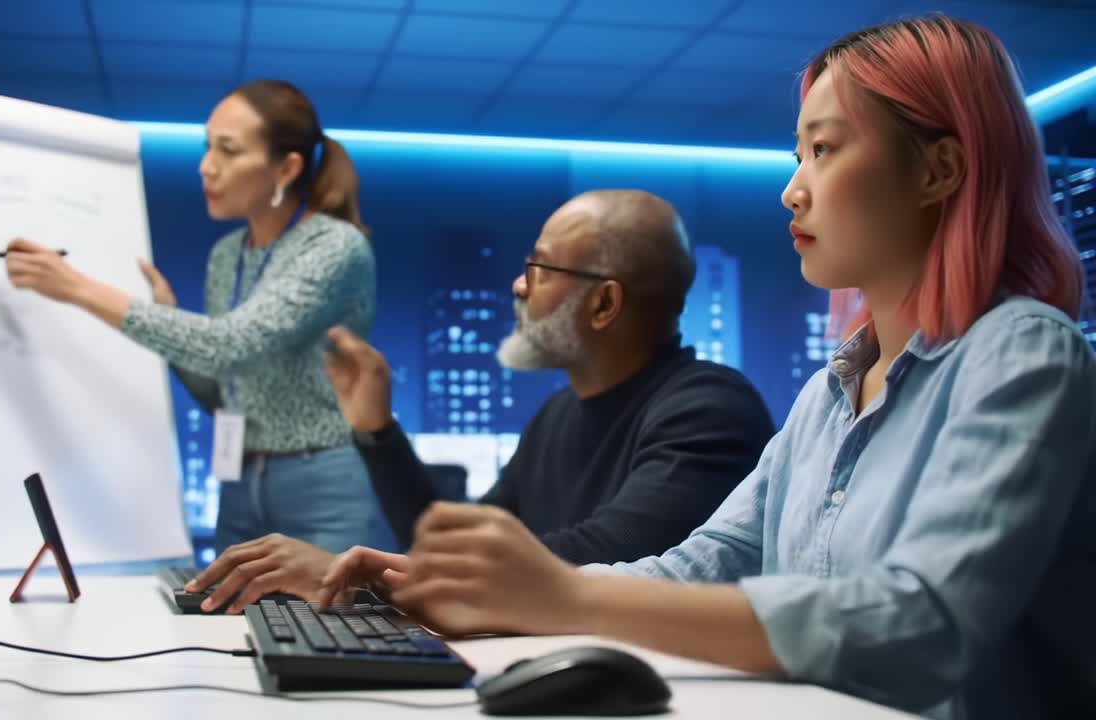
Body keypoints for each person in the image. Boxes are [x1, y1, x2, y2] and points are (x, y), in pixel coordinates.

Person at [317, 16, 1096, 720]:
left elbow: (920, 624)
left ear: (939, 170)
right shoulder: (829, 393)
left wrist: (562, 595)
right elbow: (706, 564)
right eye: (800, 154)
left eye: (824, 150)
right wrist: (472, 593)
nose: (793, 190)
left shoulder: (1021, 352)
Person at [184, 189, 775, 614]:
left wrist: (368, 578)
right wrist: (376, 428)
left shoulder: (709, 410)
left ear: (603, 305)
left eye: (538, 269)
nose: (519, 286)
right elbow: (451, 542)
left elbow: (607, 557)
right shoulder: (557, 415)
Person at [3, 79, 392, 557]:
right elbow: (220, 386)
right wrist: (168, 323)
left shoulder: (334, 245)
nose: (206, 167)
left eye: (228, 151)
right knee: (235, 625)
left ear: (286, 167)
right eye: (208, 147)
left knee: (326, 627)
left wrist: (77, 288)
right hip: (238, 480)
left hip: (321, 484)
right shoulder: (227, 255)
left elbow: (230, 343)